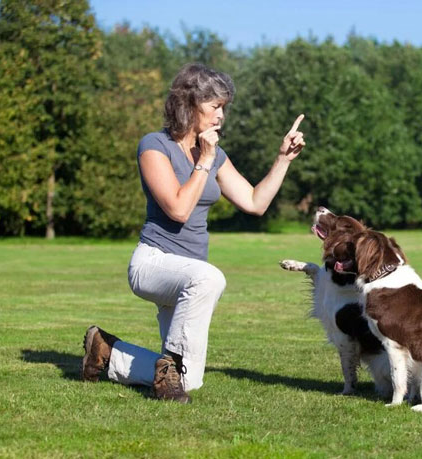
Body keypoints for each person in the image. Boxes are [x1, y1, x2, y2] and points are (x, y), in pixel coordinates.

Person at [80, 63, 305, 403]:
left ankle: (106, 353)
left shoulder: (215, 156)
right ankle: (166, 369)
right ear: (190, 103)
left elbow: (255, 202)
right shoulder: (154, 146)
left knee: (189, 381)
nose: (221, 116)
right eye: (215, 106)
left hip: (189, 276)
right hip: (153, 263)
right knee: (210, 278)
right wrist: (204, 161)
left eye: (224, 108)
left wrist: (283, 160)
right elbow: (178, 208)